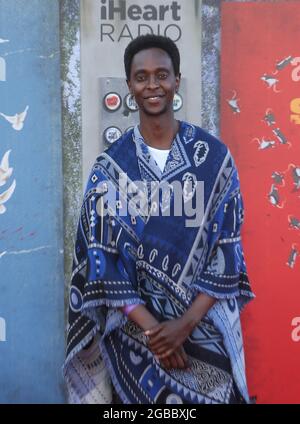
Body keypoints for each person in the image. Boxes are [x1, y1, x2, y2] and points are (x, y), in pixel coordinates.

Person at [63, 34, 255, 404]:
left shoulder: (213, 160)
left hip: (203, 336)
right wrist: (155, 332)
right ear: (130, 86)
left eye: (162, 75)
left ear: (177, 81)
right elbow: (103, 265)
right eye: (142, 77)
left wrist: (184, 326)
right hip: (135, 343)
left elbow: (228, 251)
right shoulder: (111, 168)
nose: (153, 85)